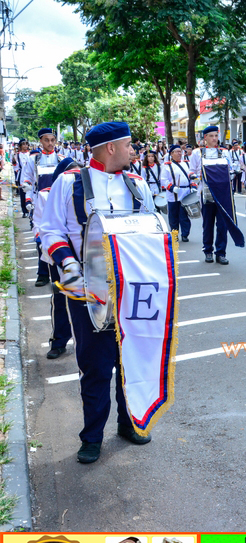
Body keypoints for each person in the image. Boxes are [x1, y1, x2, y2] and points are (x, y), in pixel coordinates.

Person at [39, 121, 156, 464]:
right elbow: (50, 230)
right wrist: (69, 268)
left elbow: (151, 228)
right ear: (110, 148)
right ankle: (91, 436)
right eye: (129, 145)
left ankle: (129, 423)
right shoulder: (68, 182)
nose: (134, 150)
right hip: (86, 292)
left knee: (130, 361)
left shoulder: (137, 184)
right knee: (95, 365)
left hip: (132, 290)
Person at [23, 129, 70, 358]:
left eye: (53, 140)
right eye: (46, 140)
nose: (50, 143)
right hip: (57, 252)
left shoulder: (75, 185)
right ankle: (59, 340)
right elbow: (43, 228)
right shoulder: (35, 162)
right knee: (60, 296)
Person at [189, 125, 238, 265]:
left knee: (222, 225)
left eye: (216, 136)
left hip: (223, 194)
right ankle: (208, 251)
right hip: (205, 193)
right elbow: (191, 171)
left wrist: (233, 174)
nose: (214, 138)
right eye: (211, 136)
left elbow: (230, 169)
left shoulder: (224, 152)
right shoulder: (197, 153)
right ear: (205, 138)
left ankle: (221, 253)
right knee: (208, 224)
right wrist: (195, 177)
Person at [161, 143, 196, 242]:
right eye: (177, 152)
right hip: (174, 194)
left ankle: (185, 234)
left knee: (184, 216)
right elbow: (163, 180)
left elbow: (189, 175)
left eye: (180, 152)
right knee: (173, 216)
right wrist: (171, 188)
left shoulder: (185, 163)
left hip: (185, 193)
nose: (179, 154)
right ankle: (174, 234)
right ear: (171, 154)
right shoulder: (167, 166)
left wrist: (192, 185)